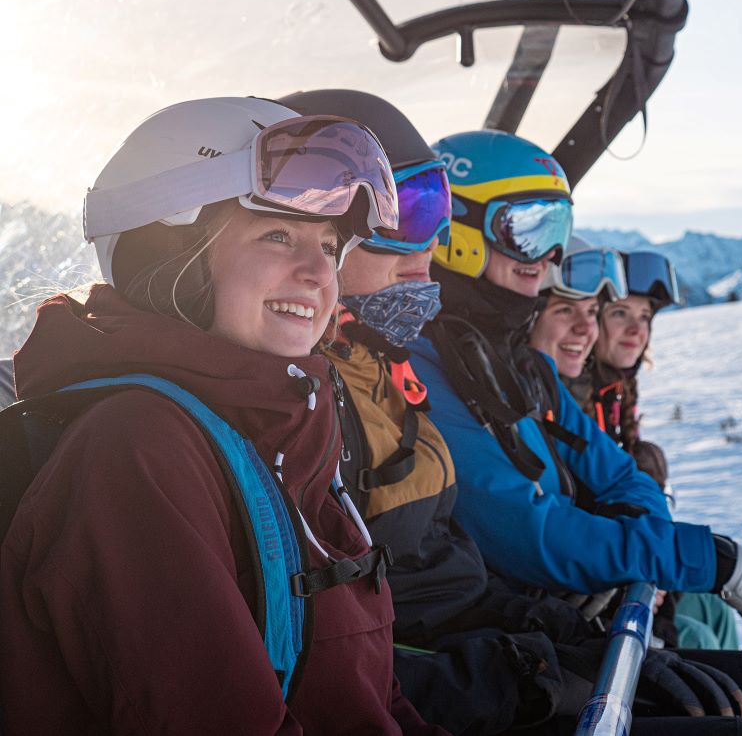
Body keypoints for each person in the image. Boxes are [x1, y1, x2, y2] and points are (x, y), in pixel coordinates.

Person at [281, 92, 742, 736]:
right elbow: (518, 530)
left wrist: (622, 576)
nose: (547, 258)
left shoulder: (493, 364)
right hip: (472, 672)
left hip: (502, 642)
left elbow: (617, 474)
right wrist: (674, 566)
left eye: (558, 234)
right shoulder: (413, 364)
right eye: (530, 228)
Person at [0, 96, 447, 735]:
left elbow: (371, 698)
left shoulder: (285, 422)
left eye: (329, 245)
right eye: (277, 235)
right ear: (168, 253)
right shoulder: (136, 451)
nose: (318, 272)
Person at [591, 250, 739, 650]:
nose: (636, 329)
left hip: (633, 562)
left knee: (715, 610)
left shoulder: (616, 392)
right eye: (620, 313)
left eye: (644, 317)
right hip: (604, 582)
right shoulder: (575, 398)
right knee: (696, 638)